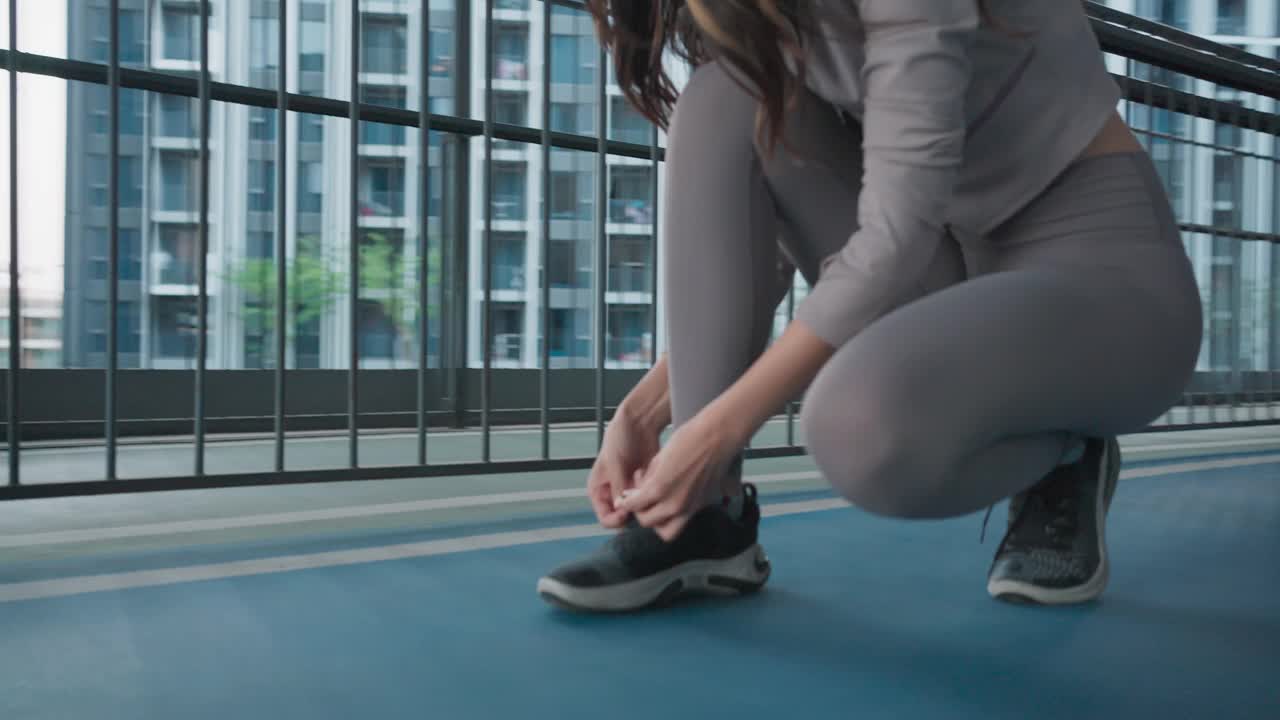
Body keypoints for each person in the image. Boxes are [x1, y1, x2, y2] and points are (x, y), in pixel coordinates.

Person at [536, 0, 1203, 612]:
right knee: (722, 99)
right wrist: (645, 410)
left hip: (1102, 277)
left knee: (858, 428)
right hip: (950, 264)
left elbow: (894, 234)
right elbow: (760, 238)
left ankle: (1067, 450)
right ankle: (701, 522)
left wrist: (709, 434)